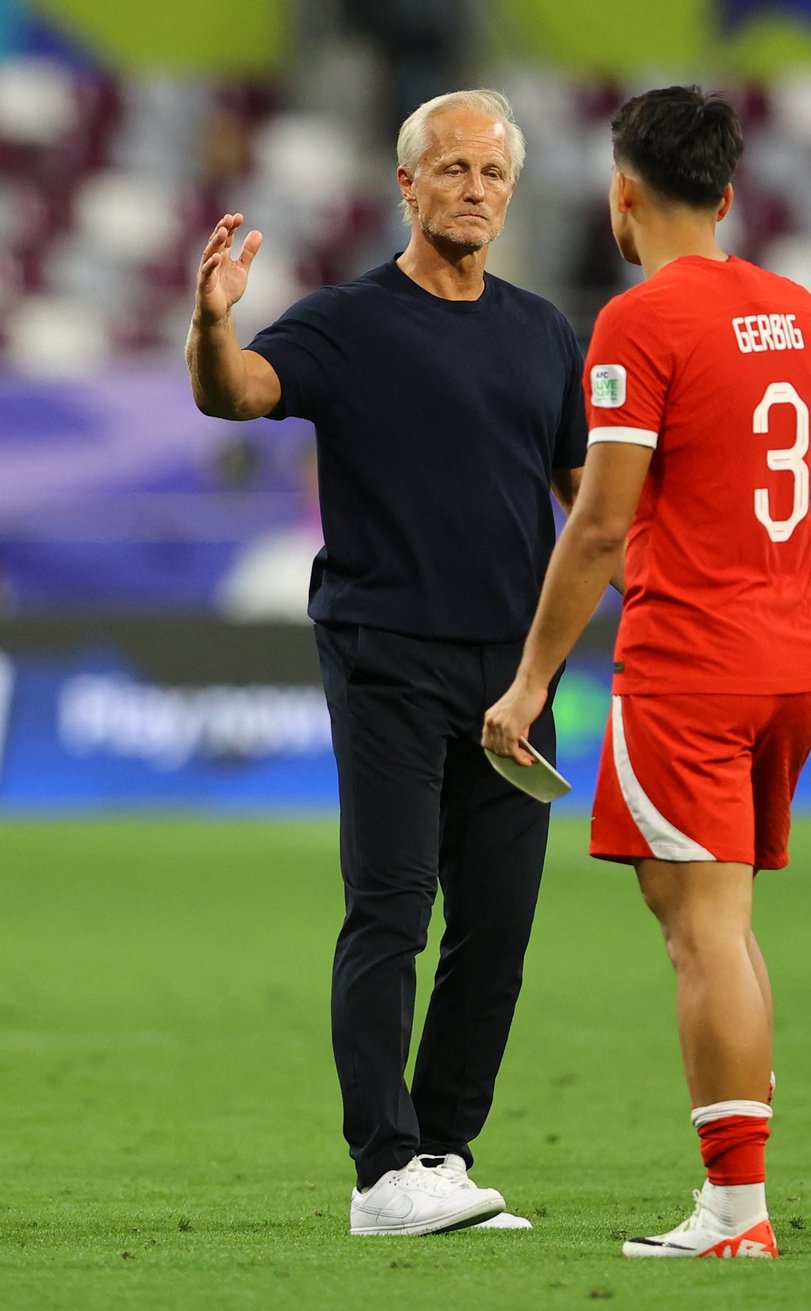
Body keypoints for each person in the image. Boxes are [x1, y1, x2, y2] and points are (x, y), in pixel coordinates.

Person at [186, 88, 587, 1237]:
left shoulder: (541, 331)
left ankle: (445, 1158)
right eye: (452, 169)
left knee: (495, 933)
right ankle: (381, 1172)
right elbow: (237, 395)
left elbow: (587, 502)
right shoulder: (345, 322)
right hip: (388, 657)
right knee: (391, 911)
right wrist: (212, 324)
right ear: (405, 184)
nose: (474, 190)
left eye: (493, 173)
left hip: (516, 677)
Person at [483, 85, 811, 1259]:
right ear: (727, 196)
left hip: (692, 662)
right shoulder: (799, 309)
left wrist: (531, 681)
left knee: (701, 930)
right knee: (715, 918)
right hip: (793, 654)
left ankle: (735, 1211)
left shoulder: (637, 323)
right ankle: (742, 1189)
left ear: (621, 194)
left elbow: (597, 525)